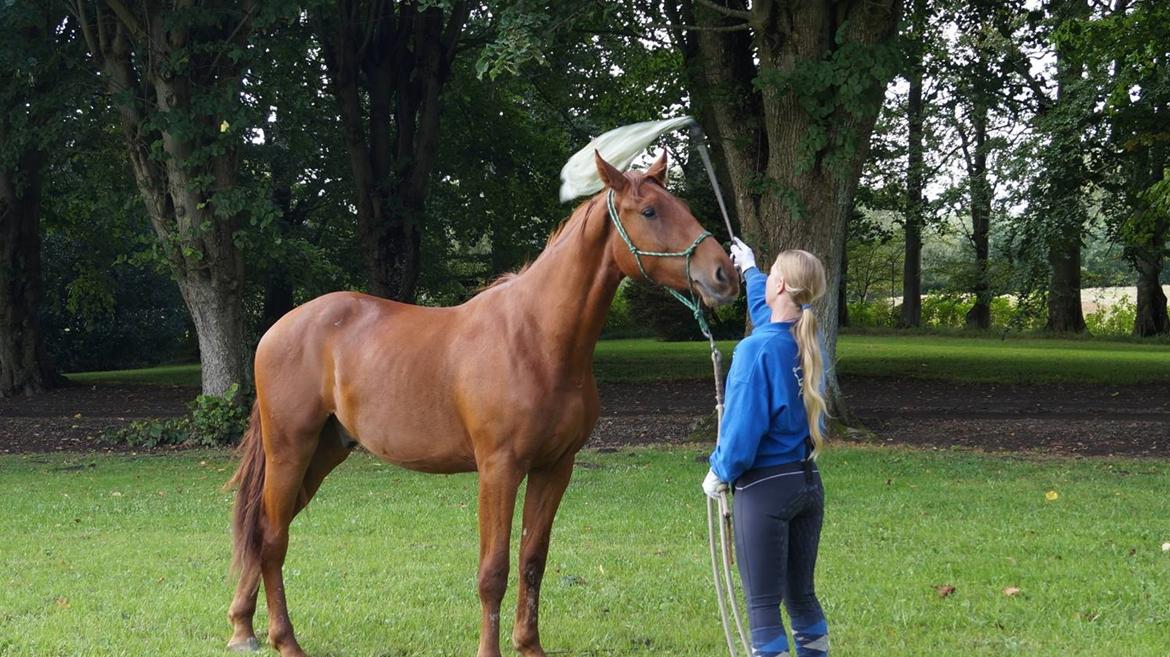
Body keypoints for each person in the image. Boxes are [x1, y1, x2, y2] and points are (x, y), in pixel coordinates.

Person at [702, 238, 830, 657]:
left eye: (772, 271)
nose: (768, 276)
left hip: (765, 492)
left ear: (781, 287)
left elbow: (741, 434)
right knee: (802, 599)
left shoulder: (755, 351)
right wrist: (752, 269)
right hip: (808, 485)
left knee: (762, 607)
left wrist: (719, 472)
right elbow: (769, 317)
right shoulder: (808, 344)